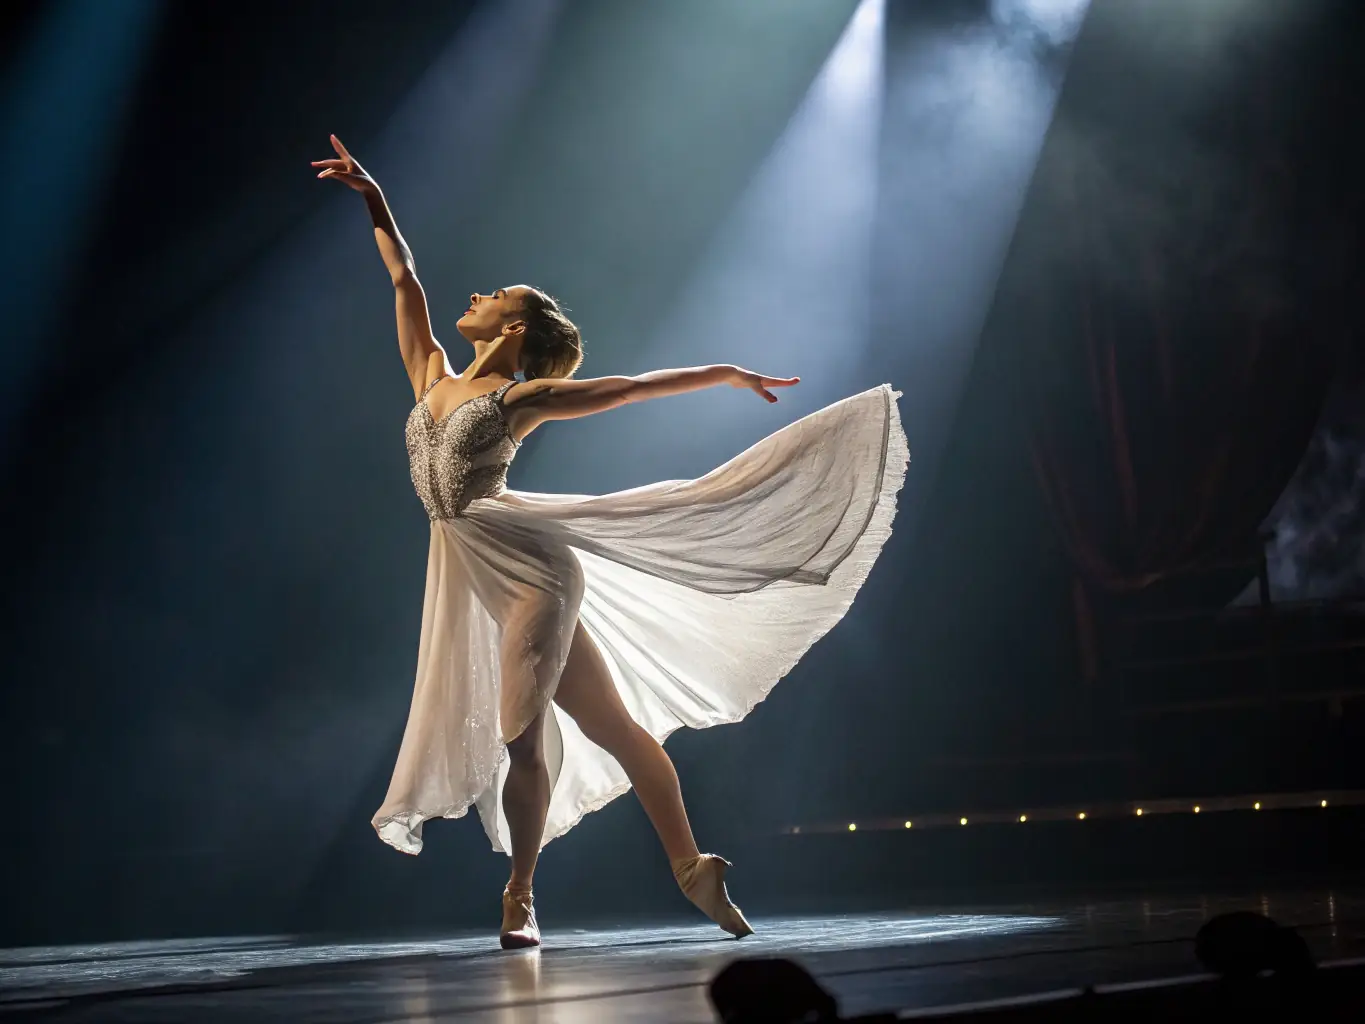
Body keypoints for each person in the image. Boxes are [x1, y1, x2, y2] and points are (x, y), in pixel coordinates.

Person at [314, 135, 908, 949]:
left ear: (514, 325)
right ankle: (691, 866)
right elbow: (403, 279)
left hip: (532, 572)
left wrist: (723, 374)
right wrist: (373, 195)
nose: (478, 293)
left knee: (522, 734)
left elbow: (625, 389)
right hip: (479, 564)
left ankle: (519, 896)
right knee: (616, 729)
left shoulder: (522, 396)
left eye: (496, 295)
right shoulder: (433, 377)